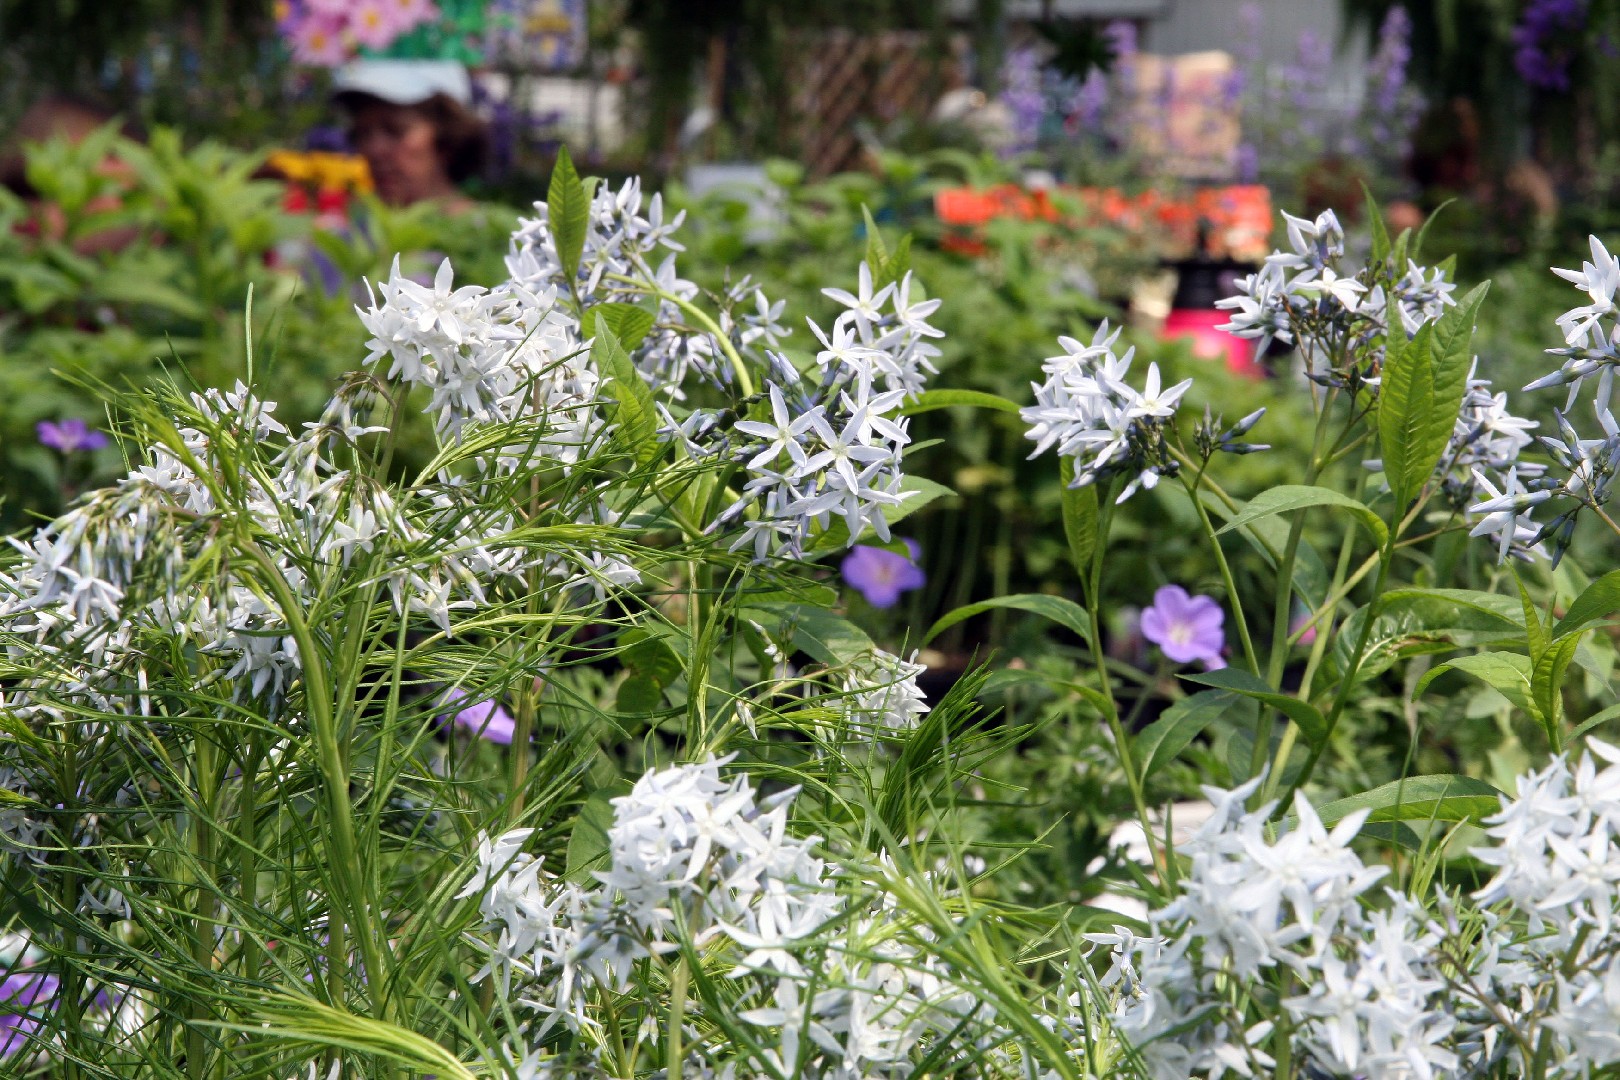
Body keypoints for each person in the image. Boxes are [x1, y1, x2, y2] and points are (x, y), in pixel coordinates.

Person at [332, 59, 490, 210]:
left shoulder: (494, 234)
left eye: (395, 131)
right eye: (362, 133)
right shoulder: (351, 230)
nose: (374, 150)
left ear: (448, 137)